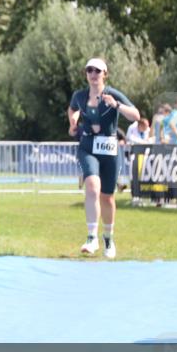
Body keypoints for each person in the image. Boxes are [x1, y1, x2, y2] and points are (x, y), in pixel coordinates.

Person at [67, 57, 140, 259]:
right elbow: (73, 109)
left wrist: (116, 105)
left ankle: (108, 238)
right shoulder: (80, 96)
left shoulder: (113, 94)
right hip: (88, 146)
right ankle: (92, 237)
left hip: (109, 149)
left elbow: (135, 115)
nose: (93, 74)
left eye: (97, 71)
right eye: (89, 70)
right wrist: (73, 121)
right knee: (92, 187)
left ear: (105, 74)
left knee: (107, 196)